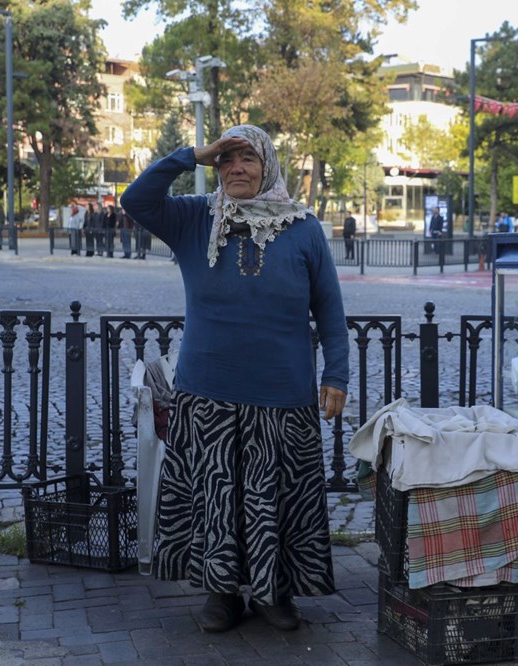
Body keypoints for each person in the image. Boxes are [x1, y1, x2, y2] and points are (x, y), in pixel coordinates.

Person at [120, 124, 348, 634]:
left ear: (267, 165)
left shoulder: (304, 228)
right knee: (216, 497)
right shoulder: (195, 218)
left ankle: (275, 593)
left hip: (282, 395)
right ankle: (221, 592)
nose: (236, 168)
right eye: (227, 160)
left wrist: (336, 373)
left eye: (247, 158)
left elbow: (329, 310)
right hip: (209, 393)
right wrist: (191, 155)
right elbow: (136, 199)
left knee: (279, 500)